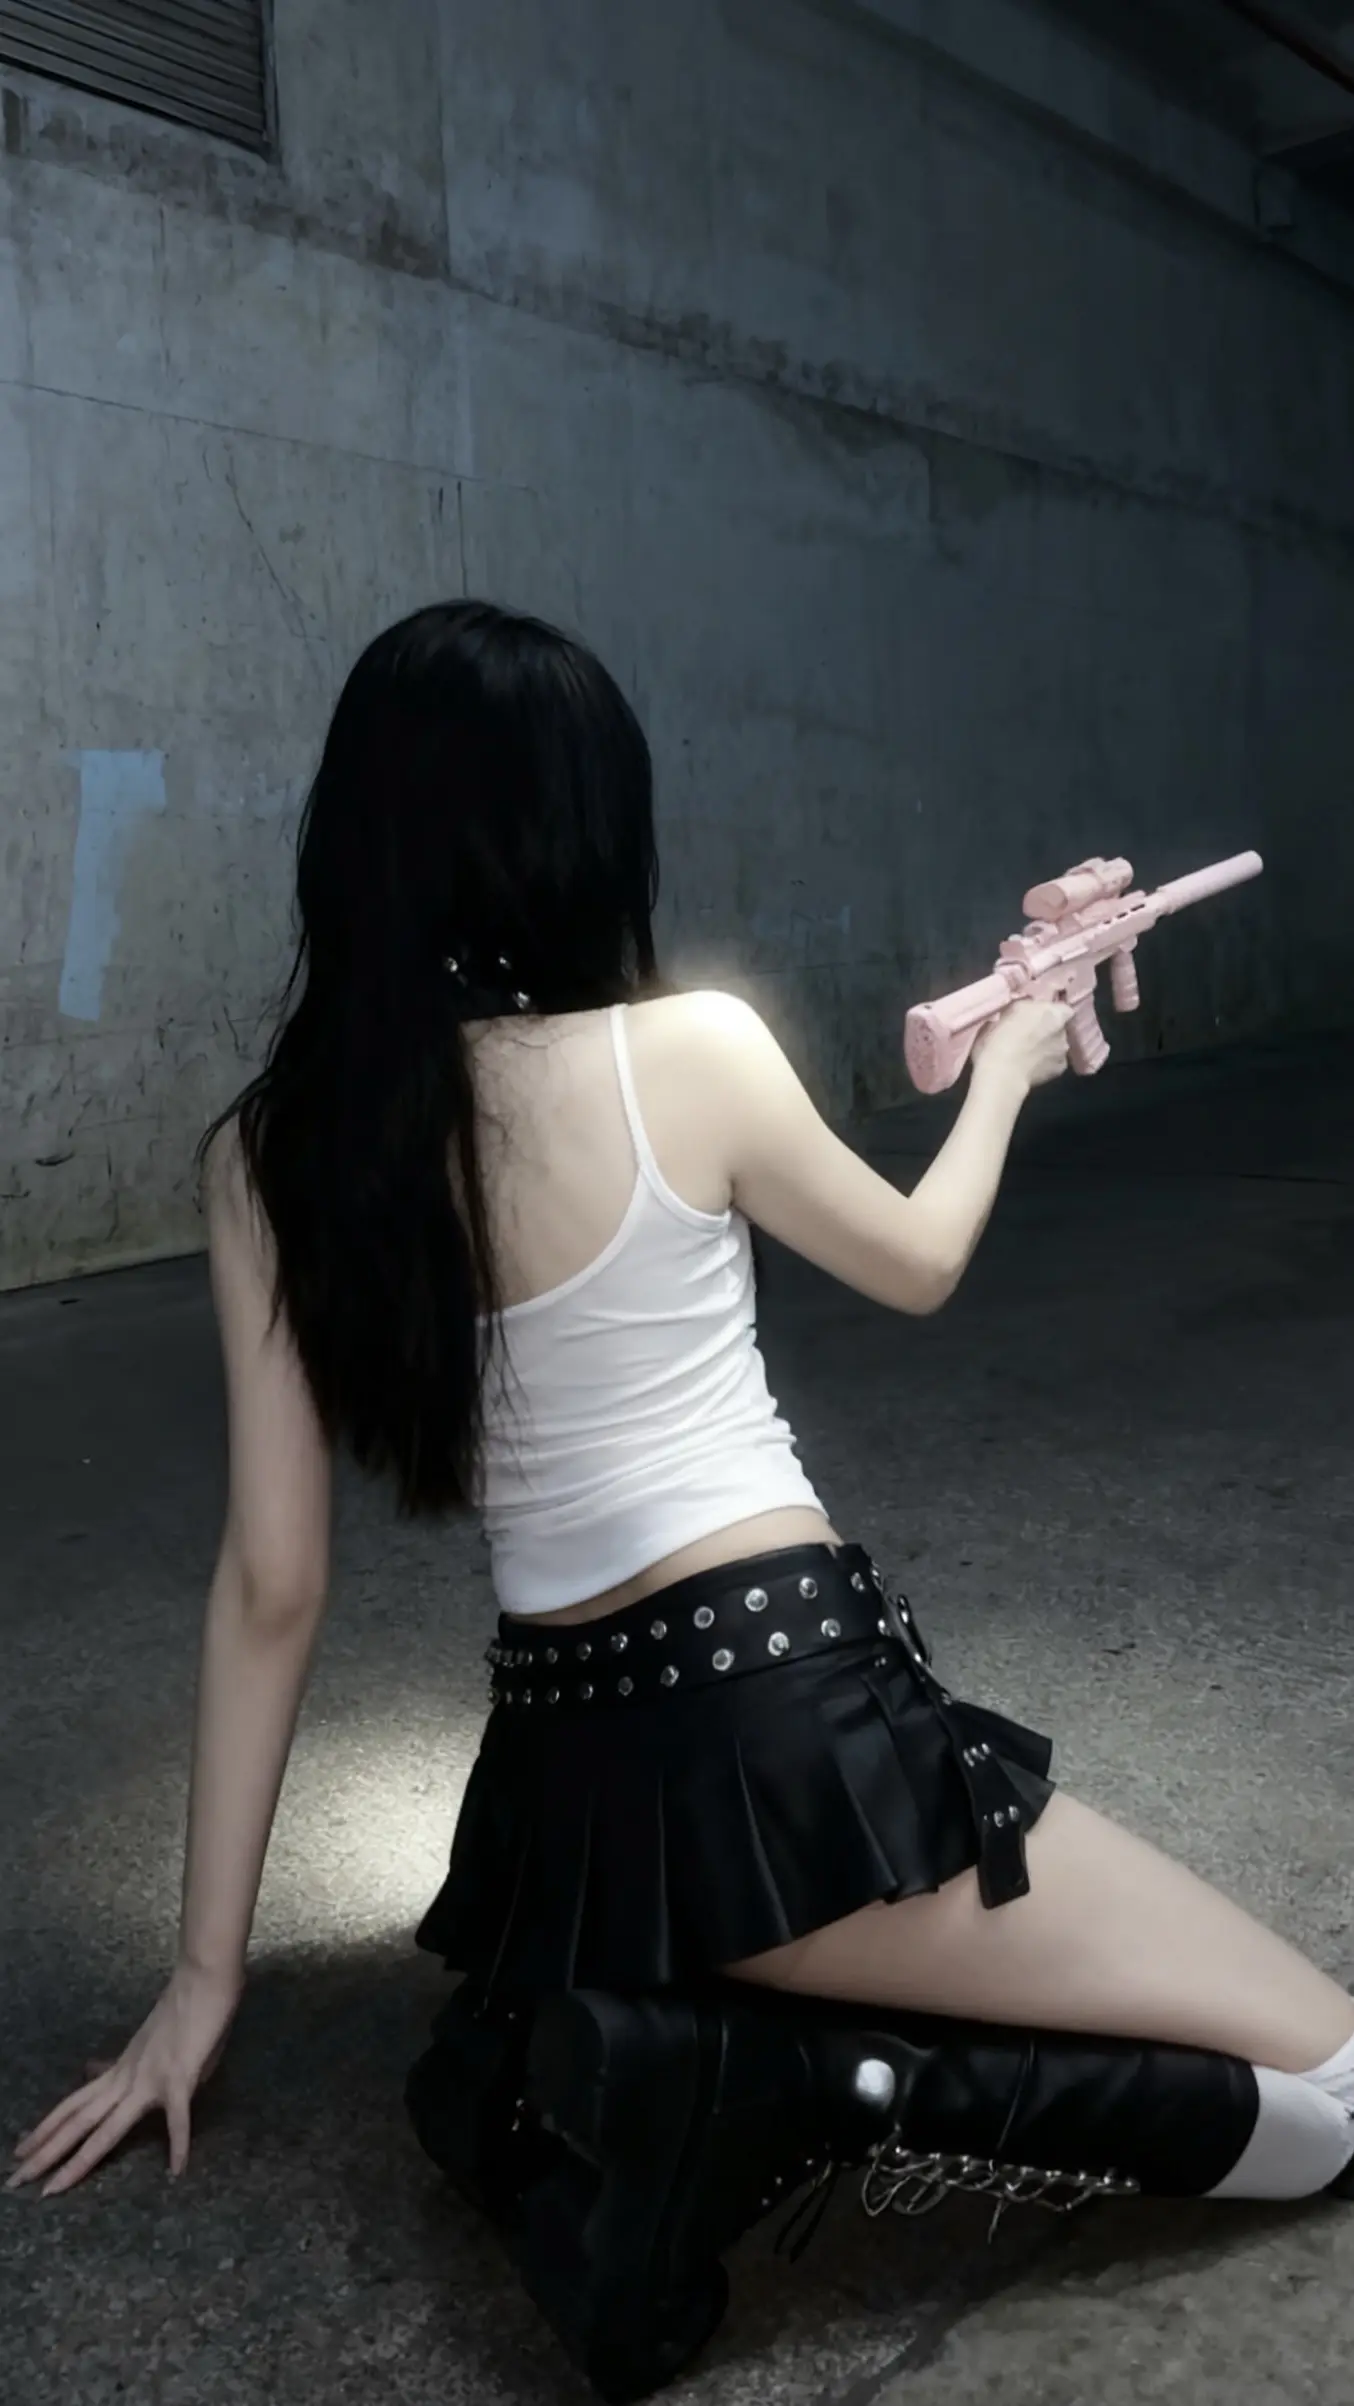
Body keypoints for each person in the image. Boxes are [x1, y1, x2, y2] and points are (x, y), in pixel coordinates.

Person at [10, 600, 1354, 2243]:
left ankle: (735, 2032)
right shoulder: (692, 1048)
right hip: (787, 1735)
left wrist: (201, 1977)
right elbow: (919, 1259)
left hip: (564, 1800)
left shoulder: (271, 1152)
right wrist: (1009, 1062)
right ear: (587, 830)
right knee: (1337, 2077)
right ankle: (826, 2088)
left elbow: (271, 1583)